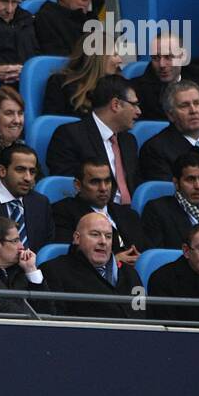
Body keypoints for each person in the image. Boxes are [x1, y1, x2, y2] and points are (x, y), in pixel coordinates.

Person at [46, 75, 141, 203]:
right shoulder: (70, 135)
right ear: (115, 104)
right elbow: (69, 187)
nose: (138, 111)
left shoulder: (129, 141)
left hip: (128, 217)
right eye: (134, 104)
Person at [41, 212, 146, 320]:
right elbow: (56, 319)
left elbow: (142, 312)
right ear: (77, 238)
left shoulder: (130, 273)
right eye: (95, 234)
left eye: (108, 236)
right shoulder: (55, 270)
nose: (103, 242)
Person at [141, 151, 199, 261]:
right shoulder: (157, 210)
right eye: (190, 179)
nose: (198, 186)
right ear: (176, 183)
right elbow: (156, 258)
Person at [52, 159, 151, 258]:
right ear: (78, 185)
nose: (103, 188)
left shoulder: (129, 214)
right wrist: (112, 261)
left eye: (107, 181)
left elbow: (146, 251)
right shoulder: (62, 212)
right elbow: (69, 255)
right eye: (95, 182)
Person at [130, 32, 199, 122]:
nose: (162, 64)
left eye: (168, 57)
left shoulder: (196, 85)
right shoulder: (135, 91)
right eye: (156, 58)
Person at [0, 215, 48, 316]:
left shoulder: (19, 267)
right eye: (15, 241)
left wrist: (31, 270)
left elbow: (48, 311)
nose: (21, 247)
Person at [42, 36, 123, 119]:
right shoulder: (61, 83)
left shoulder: (118, 87)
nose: (120, 60)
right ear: (97, 57)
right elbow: (52, 125)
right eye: (115, 55)